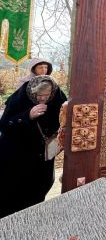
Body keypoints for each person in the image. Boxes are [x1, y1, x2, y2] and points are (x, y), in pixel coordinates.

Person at [0, 75, 67, 218]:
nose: (42, 99)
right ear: (32, 92)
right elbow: (4, 125)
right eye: (38, 95)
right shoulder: (20, 98)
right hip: (17, 158)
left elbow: (63, 123)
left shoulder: (57, 98)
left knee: (38, 191)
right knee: (12, 194)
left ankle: (33, 219)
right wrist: (27, 115)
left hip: (41, 158)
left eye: (46, 95)